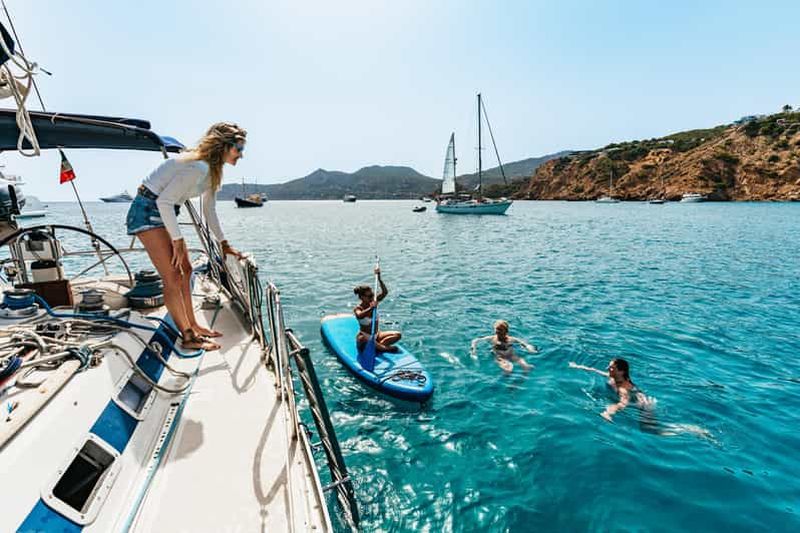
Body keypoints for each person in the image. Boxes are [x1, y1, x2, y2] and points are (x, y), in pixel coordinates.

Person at [126, 122, 246, 351]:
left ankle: (193, 324)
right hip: (147, 211)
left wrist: (224, 244)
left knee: (187, 270)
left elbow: (208, 211)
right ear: (224, 146)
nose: (241, 155)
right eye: (238, 149)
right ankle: (188, 336)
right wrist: (177, 241)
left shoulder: (213, 171)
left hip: (164, 211)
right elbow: (164, 201)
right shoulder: (198, 167)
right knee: (172, 275)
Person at [569, 358, 648, 421]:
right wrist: (577, 366)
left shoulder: (623, 389)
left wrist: (608, 413)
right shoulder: (614, 377)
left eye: (611, 368)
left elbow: (622, 404)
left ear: (621, 372)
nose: (607, 369)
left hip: (640, 405)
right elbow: (595, 370)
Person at [353, 267, 401, 353]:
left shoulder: (373, 301)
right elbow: (359, 315)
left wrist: (379, 278)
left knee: (397, 335)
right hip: (364, 338)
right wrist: (371, 308)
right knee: (364, 338)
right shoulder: (358, 308)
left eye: (372, 295)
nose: (372, 297)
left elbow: (385, 292)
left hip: (376, 335)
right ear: (361, 297)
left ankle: (378, 347)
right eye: (369, 296)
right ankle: (383, 348)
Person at [471, 320, 538, 373]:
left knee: (526, 366)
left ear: (506, 331)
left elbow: (524, 344)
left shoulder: (512, 339)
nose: (498, 333)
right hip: (500, 357)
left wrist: (530, 349)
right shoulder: (492, 338)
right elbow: (475, 340)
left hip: (512, 355)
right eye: (497, 331)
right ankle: (508, 385)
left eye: (500, 331)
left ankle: (520, 382)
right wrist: (473, 351)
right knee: (508, 369)